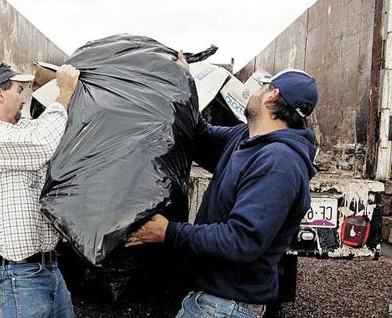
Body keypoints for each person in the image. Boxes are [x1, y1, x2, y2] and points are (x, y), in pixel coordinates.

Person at [127, 59, 319, 318]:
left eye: (262, 86)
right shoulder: (245, 139)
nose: (255, 91)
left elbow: (241, 241)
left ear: (271, 95)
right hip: (213, 301)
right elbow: (198, 134)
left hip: (227, 307)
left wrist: (169, 233)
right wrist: (183, 83)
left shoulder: (278, 162)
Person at [0, 61, 80, 318]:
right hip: (21, 275)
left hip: (50, 267)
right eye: (19, 90)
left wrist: (55, 91)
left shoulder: (21, 129)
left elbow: (50, 128)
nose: (24, 99)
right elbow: (42, 144)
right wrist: (64, 94)